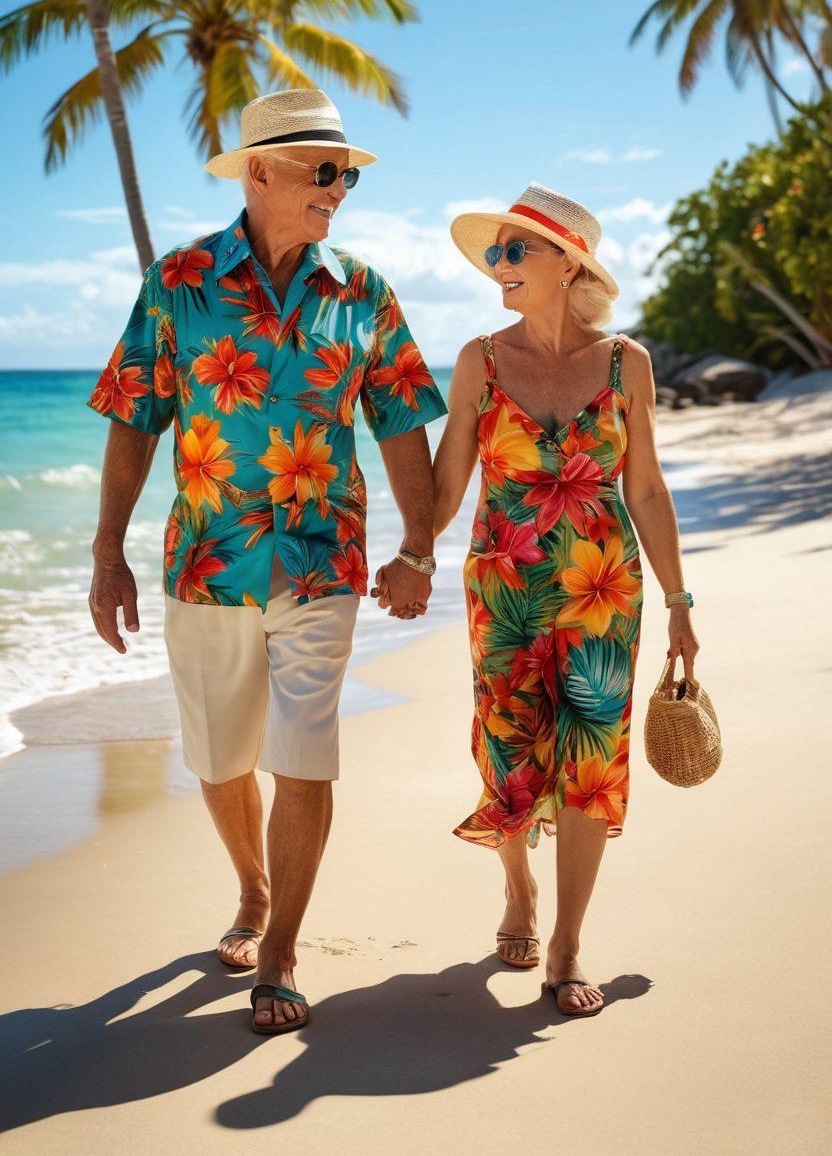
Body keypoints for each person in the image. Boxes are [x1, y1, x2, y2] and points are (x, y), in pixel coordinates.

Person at [87, 88, 447, 1035]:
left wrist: (418, 546)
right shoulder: (179, 282)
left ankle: (281, 948)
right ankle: (250, 887)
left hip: (324, 558)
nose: (342, 186)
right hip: (208, 558)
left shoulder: (364, 291)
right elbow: (133, 416)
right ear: (260, 171)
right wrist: (105, 552)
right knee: (218, 757)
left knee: (305, 754)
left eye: (349, 172)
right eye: (324, 169)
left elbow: (405, 424)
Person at [431, 183, 698, 1018]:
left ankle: (569, 945)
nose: (498, 264)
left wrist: (681, 603)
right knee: (509, 748)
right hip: (504, 588)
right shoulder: (480, 356)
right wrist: (407, 550)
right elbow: (448, 480)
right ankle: (518, 888)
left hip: (604, 588)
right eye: (494, 253)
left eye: (516, 251)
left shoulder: (627, 362)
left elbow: (647, 488)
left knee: (588, 757)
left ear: (568, 262)